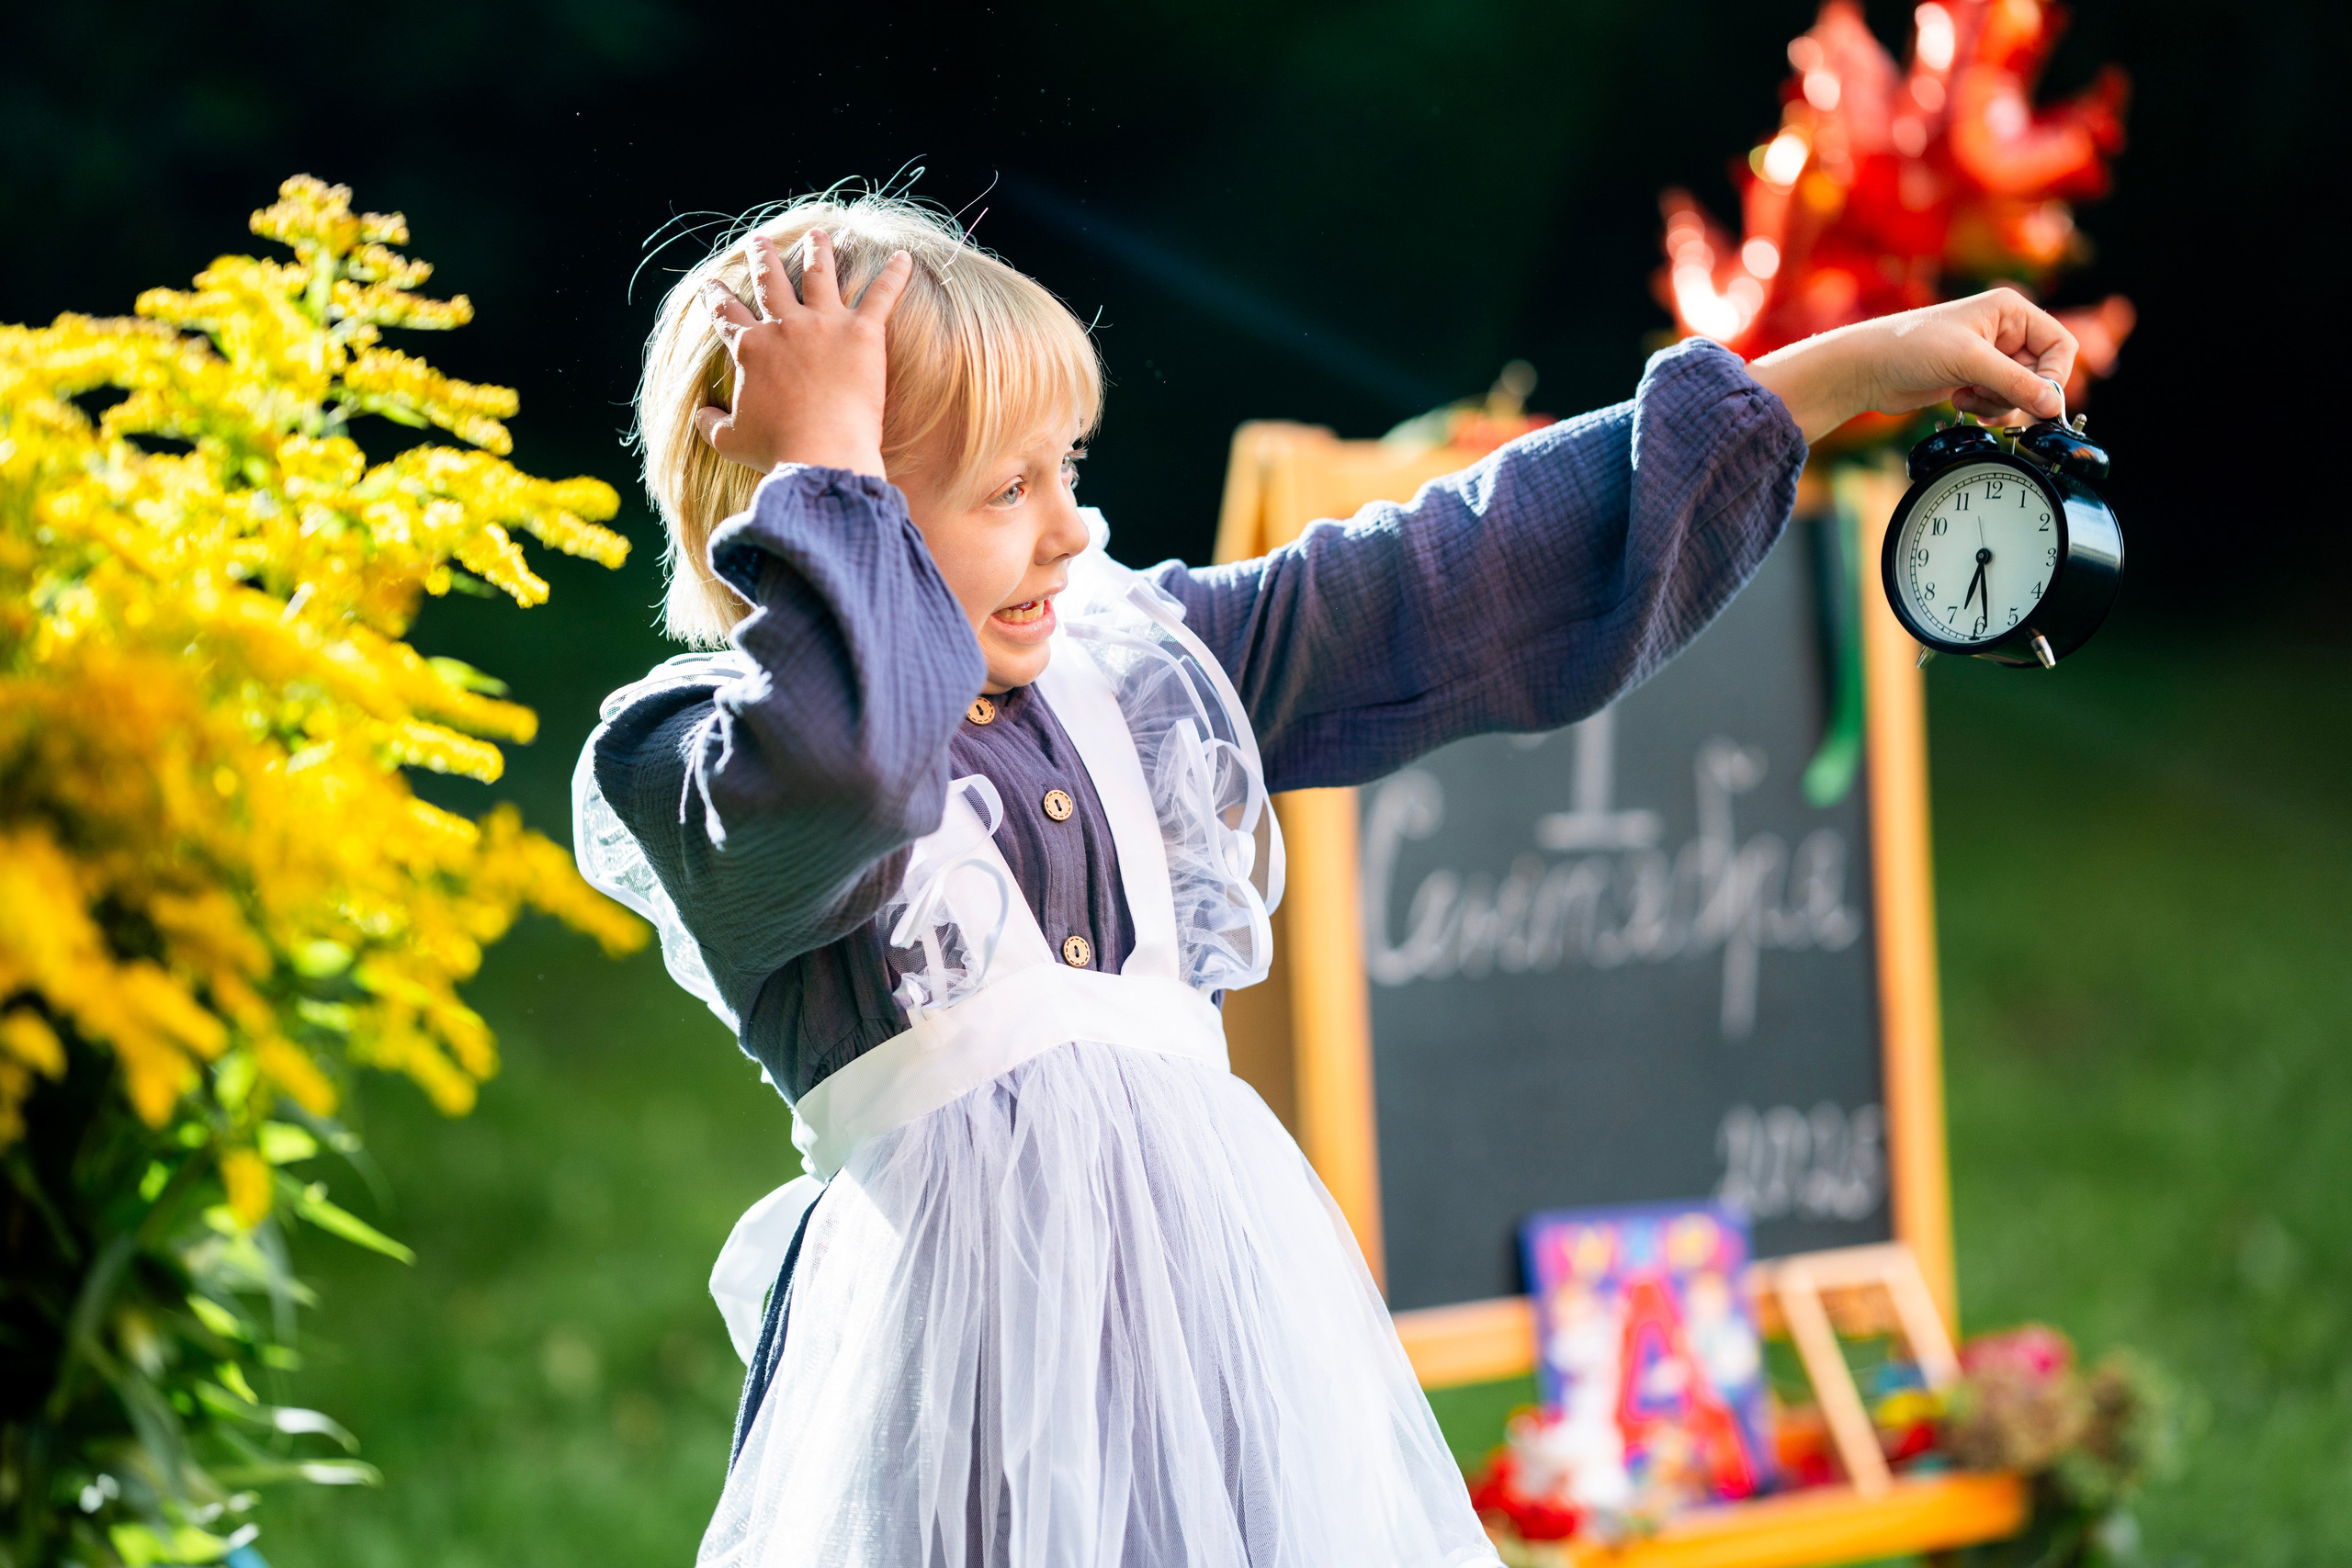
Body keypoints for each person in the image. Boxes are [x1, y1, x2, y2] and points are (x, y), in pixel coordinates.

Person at [575, 191, 2076, 1568]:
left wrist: (1835, 375)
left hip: (1232, 1382)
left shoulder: (1132, 674)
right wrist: (824, 462)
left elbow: (1443, 579)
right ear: (814, 517)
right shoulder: (702, 763)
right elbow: (849, 772)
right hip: (969, 1431)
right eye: (1001, 492)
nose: (1071, 527)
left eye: (1066, 470)